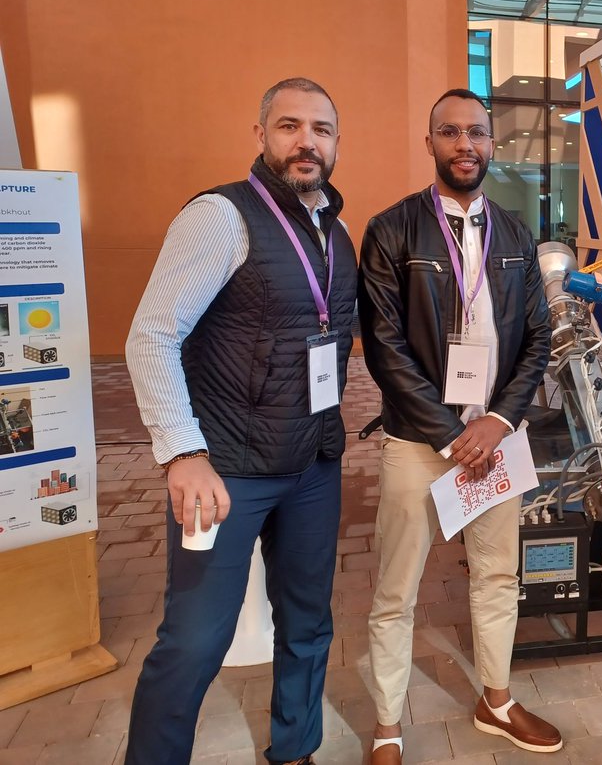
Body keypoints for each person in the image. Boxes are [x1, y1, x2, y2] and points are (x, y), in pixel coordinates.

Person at [124, 77, 356, 765]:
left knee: (309, 623)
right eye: (289, 126)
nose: (306, 141)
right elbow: (152, 335)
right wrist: (182, 453)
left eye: (320, 129)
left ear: (337, 143)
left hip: (312, 466)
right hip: (225, 471)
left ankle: (295, 748)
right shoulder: (219, 217)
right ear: (261, 136)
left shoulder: (335, 230)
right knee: (195, 638)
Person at [357, 88, 560, 764]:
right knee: (397, 586)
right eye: (450, 132)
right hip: (420, 441)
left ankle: (495, 700)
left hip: (498, 438)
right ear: (430, 143)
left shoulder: (515, 232)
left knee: (499, 575)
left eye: (476, 133)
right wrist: (451, 434)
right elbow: (385, 348)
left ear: (492, 144)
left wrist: (499, 421)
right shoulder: (392, 230)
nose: (464, 144)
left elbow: (538, 335)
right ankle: (388, 726)